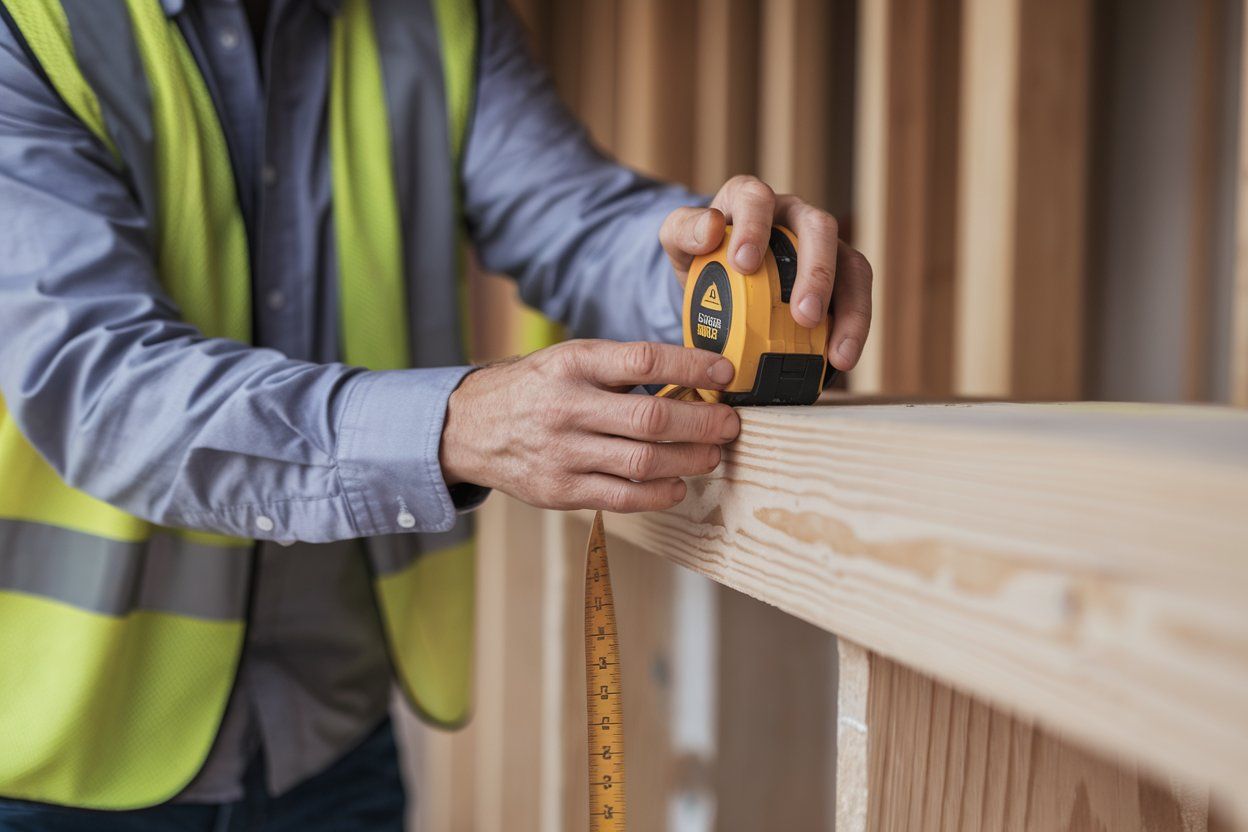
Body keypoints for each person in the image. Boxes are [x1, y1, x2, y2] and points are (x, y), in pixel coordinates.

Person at [0, 0, 872, 828]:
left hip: (332, 741)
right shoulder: (28, 28)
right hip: (53, 760)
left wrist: (733, 272)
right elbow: (101, 385)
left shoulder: (440, 18)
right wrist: (450, 426)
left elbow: (579, 220)